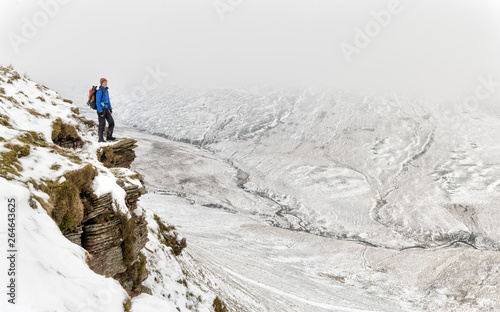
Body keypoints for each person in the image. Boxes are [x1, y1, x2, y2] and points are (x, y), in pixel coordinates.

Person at [95, 78, 115, 142]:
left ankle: (109, 136)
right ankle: (100, 139)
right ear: (101, 83)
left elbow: (108, 100)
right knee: (102, 124)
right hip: (101, 110)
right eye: (104, 83)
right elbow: (97, 102)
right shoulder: (99, 91)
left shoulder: (106, 91)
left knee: (111, 122)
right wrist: (100, 112)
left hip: (106, 109)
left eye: (106, 83)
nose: (105, 84)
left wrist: (110, 108)